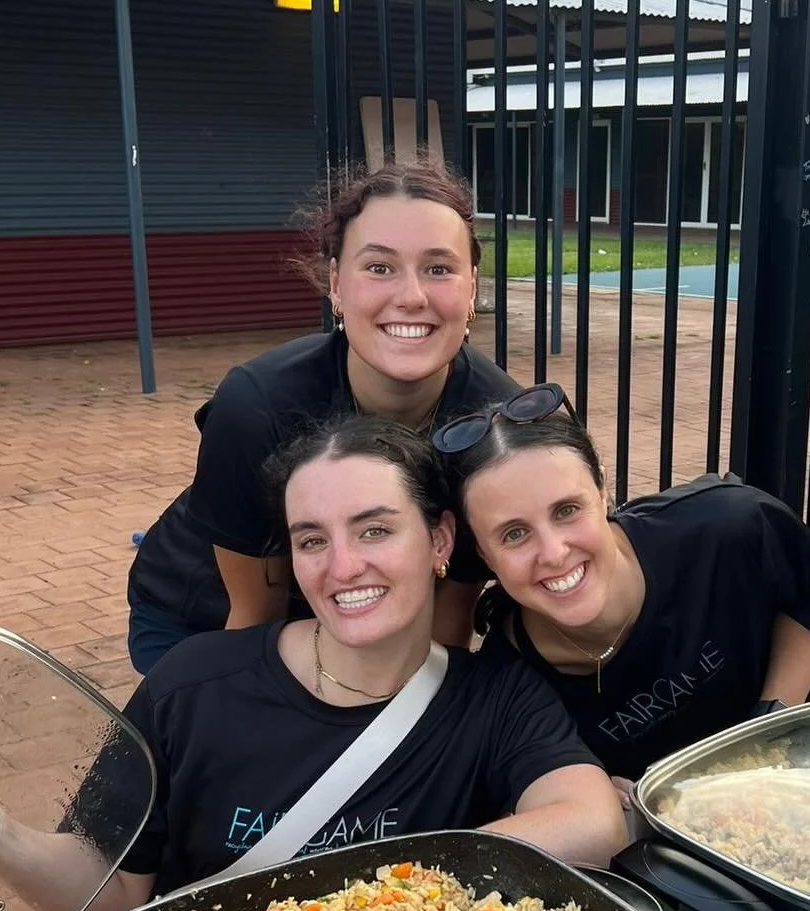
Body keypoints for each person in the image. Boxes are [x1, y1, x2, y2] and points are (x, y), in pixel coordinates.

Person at [0, 419, 626, 911]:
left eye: (376, 529)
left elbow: (593, 816)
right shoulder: (194, 686)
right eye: (312, 539)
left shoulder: (492, 696)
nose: (343, 565)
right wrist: (0, 837)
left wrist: (396, 894)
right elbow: (107, 885)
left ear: (442, 539)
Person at [126, 161, 517, 673]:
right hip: (202, 617)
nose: (411, 297)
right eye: (379, 267)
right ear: (336, 284)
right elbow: (252, 621)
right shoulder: (257, 406)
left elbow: (450, 614)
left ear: (471, 289)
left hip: (353, 618)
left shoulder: (494, 424)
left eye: (439, 268)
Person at [437, 385, 810, 786]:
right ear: (485, 556)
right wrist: (594, 794)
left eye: (567, 510)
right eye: (513, 534)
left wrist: (768, 735)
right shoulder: (509, 682)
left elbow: (809, 598)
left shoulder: (726, 526)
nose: (554, 553)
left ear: (602, 494)